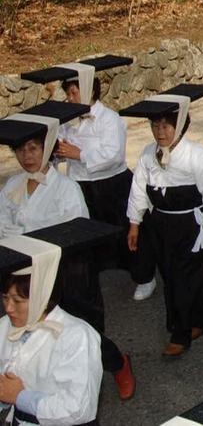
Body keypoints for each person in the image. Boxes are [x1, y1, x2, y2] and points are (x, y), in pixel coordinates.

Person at [0, 103, 135, 402]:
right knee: (24, 331)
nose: (28, 157)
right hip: (23, 272)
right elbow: (3, 227)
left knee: (79, 330)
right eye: (21, 151)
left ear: (47, 148)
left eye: (34, 149)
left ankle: (117, 362)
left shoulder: (66, 188)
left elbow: (76, 235)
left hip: (65, 271)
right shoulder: (12, 185)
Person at [19, 57, 146, 294]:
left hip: (112, 185)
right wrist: (56, 154)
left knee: (124, 232)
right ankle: (91, 277)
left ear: (89, 89)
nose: (70, 98)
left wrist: (79, 153)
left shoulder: (110, 119)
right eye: (68, 93)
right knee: (86, 234)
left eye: (75, 92)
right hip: (80, 186)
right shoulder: (67, 121)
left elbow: (114, 155)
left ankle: (143, 276)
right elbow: (61, 151)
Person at [121, 85, 203, 358]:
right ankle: (201, 321)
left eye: (167, 126)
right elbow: (138, 190)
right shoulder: (148, 154)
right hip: (160, 227)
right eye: (155, 126)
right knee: (177, 276)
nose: (160, 132)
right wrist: (135, 223)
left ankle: (179, 333)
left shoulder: (197, 156)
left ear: (180, 125)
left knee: (182, 280)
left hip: (191, 227)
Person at [0, 229, 106, 426]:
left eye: (18, 300)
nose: (8, 308)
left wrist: (20, 397)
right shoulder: (4, 325)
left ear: (44, 296)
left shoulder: (77, 337)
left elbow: (79, 409)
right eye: (5, 298)